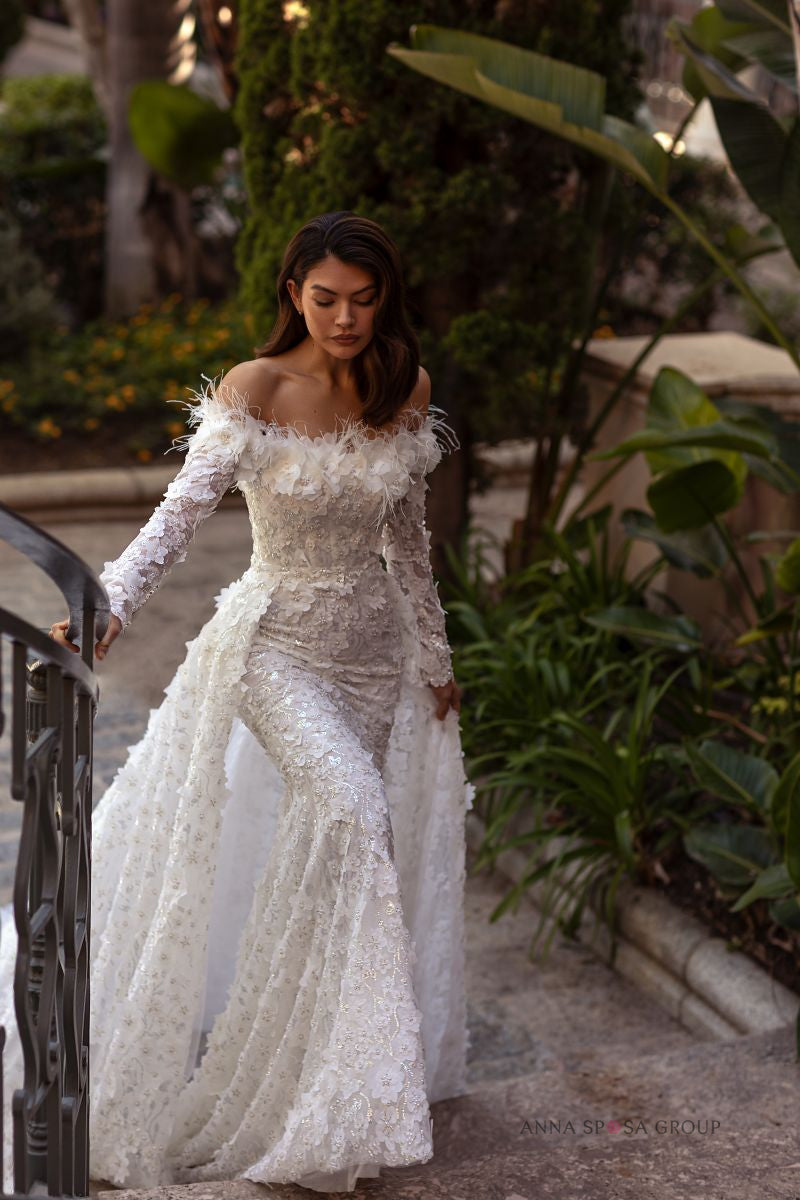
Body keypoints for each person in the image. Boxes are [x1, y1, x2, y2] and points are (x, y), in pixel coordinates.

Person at [0, 211, 473, 1194]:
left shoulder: (405, 387)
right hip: (273, 647)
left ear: (384, 300)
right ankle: (339, 1103)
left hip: (371, 655)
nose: (344, 318)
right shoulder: (255, 388)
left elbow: (408, 545)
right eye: (325, 298)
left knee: (338, 847)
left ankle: (312, 1072)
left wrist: (433, 656)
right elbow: (180, 514)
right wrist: (108, 606)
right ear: (293, 293)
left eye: (364, 299)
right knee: (353, 813)